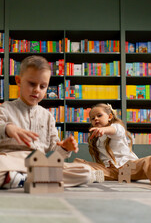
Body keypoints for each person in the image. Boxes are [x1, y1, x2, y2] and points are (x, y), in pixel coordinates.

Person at [0, 55, 92, 189]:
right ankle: (29, 178)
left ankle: (21, 179)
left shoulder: (48, 116)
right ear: (18, 81)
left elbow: (54, 152)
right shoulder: (5, 108)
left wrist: (65, 148)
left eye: (43, 86)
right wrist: (8, 128)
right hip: (11, 161)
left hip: (40, 163)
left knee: (85, 172)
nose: (37, 90)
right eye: (32, 84)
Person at [74, 103, 151, 184]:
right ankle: (93, 175)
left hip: (128, 167)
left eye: (99, 115)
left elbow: (115, 131)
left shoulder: (117, 127)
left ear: (110, 116)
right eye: (92, 118)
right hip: (109, 171)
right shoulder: (97, 137)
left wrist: (104, 130)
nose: (96, 119)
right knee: (79, 162)